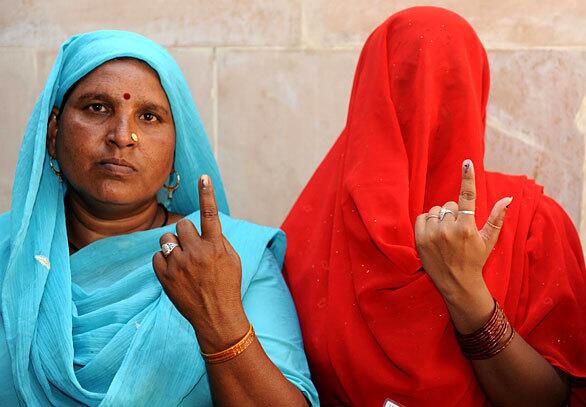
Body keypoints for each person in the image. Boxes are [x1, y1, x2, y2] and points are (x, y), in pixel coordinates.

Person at [282, 7, 586, 406]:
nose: (425, 110)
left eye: (449, 88)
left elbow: (554, 399)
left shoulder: (530, 223)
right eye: (403, 88)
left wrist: (468, 294)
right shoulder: (313, 234)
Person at [0, 30, 318, 406]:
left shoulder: (231, 260)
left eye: (149, 116)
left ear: (175, 154)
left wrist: (219, 316)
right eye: (97, 108)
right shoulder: (9, 252)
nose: (122, 136)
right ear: (53, 134)